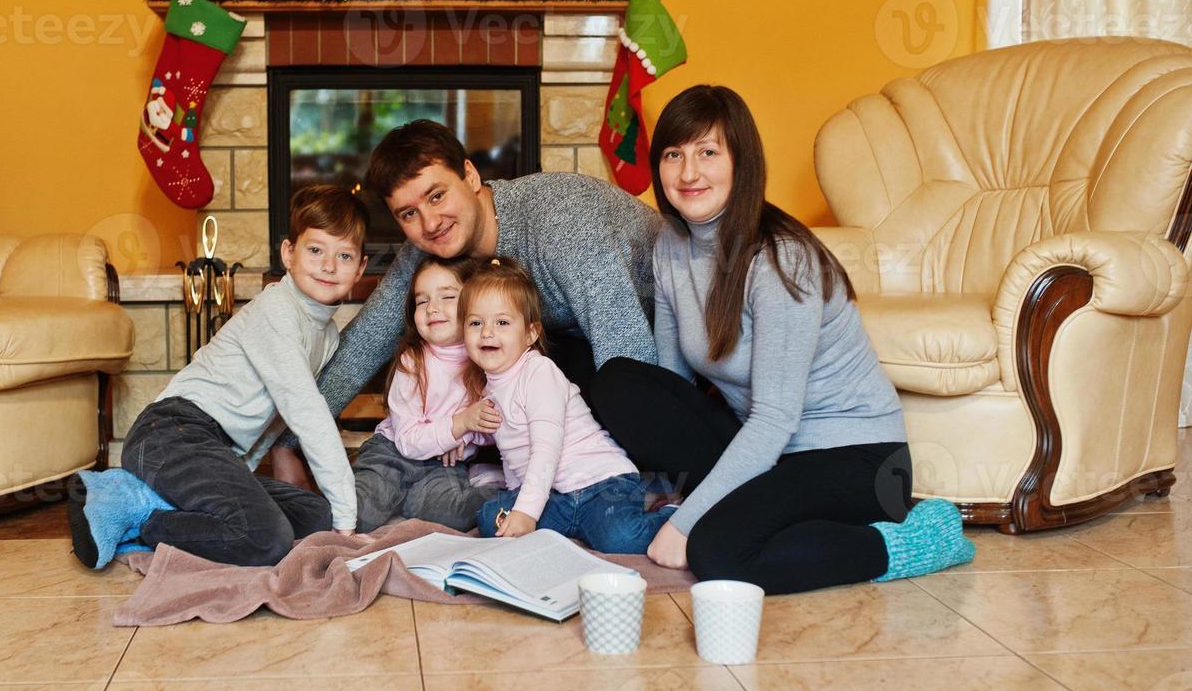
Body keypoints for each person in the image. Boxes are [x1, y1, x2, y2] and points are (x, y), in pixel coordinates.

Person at [590, 85, 975, 594]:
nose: (688, 173)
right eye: (674, 155)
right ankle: (749, 509)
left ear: (741, 161)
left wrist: (684, 525)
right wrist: (664, 488)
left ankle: (906, 544)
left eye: (708, 152)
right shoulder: (671, 244)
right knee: (617, 381)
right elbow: (672, 385)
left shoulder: (780, 259)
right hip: (770, 450)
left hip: (855, 459)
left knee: (716, 552)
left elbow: (775, 418)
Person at [272, 119, 663, 486]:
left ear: (471, 176)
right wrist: (290, 443)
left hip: (667, 344)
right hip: (584, 348)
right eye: (409, 213)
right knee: (515, 358)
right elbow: (366, 340)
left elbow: (627, 352)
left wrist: (626, 475)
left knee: (549, 369)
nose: (429, 223)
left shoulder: (557, 216)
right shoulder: (431, 248)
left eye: (437, 195)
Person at [66, 185, 368, 569]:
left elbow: (273, 417)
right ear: (288, 253)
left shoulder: (324, 335)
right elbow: (307, 413)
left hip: (211, 450)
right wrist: (348, 524)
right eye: (315, 250)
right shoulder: (277, 310)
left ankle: (157, 499)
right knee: (266, 538)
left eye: (344, 256)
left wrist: (240, 476)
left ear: (360, 268)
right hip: (170, 434)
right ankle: (136, 513)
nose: (328, 266)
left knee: (314, 516)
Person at [463, 259, 671, 554]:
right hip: (554, 497)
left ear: (531, 333)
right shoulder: (489, 389)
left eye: (502, 322)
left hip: (601, 483)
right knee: (490, 519)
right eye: (475, 322)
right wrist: (466, 428)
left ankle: (673, 517)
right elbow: (511, 451)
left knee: (620, 538)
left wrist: (526, 512)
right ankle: (571, 526)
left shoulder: (539, 373)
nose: (486, 332)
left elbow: (546, 449)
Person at [352, 255, 504, 532]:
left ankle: (501, 490)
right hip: (393, 454)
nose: (432, 308)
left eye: (447, 297)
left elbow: (492, 422)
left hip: (442, 463)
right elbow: (409, 442)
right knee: (358, 513)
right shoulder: (413, 362)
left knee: (452, 516)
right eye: (422, 301)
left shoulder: (489, 360)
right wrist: (458, 425)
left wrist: (467, 434)